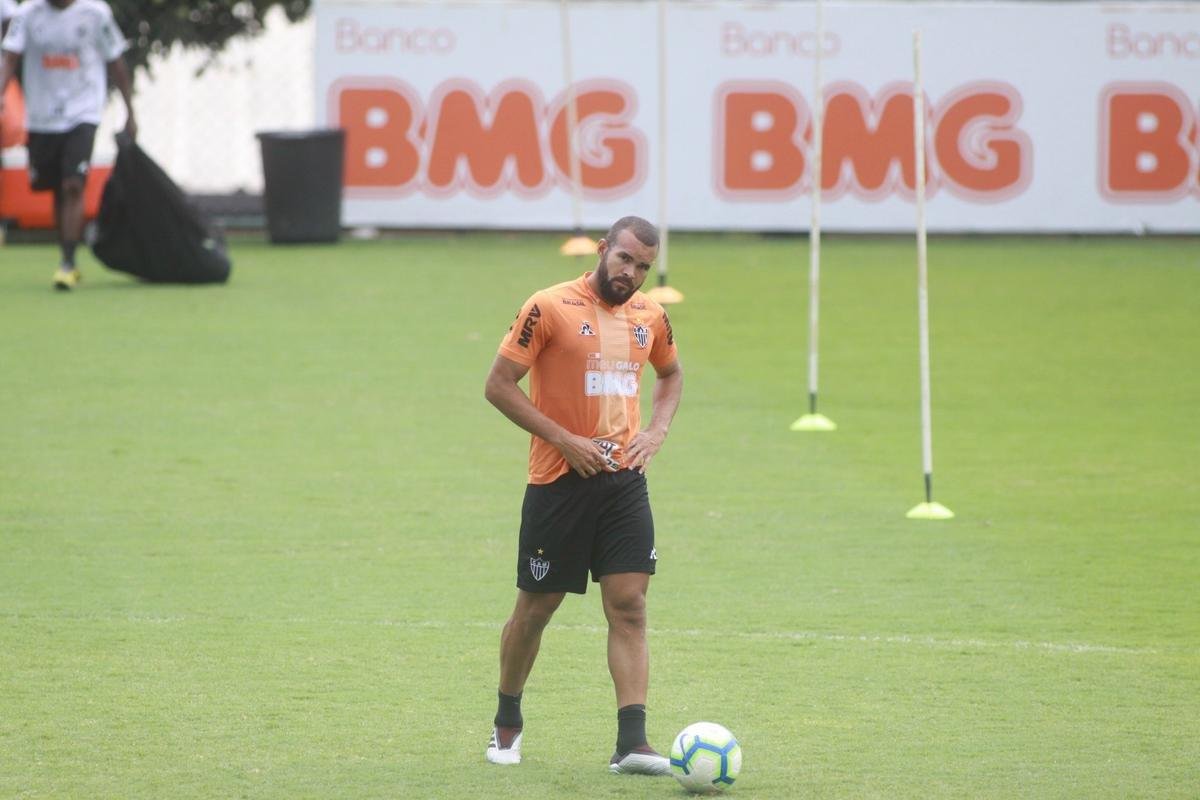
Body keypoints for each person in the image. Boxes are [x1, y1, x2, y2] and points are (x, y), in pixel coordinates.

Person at [483, 215, 684, 774]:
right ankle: (506, 721)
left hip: (624, 482)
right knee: (535, 609)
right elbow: (498, 385)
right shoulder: (548, 306)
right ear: (602, 250)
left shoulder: (651, 316)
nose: (632, 274)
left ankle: (632, 743)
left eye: (643, 266)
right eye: (625, 259)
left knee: (630, 605)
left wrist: (656, 431)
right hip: (558, 481)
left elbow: (671, 375)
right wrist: (563, 439)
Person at [0, 0, 136, 290]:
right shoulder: (26, 14)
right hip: (41, 117)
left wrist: (130, 111)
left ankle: (68, 262)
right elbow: (9, 58)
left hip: (83, 112)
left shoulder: (96, 13)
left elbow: (115, 60)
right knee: (56, 187)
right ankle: (67, 254)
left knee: (73, 184)